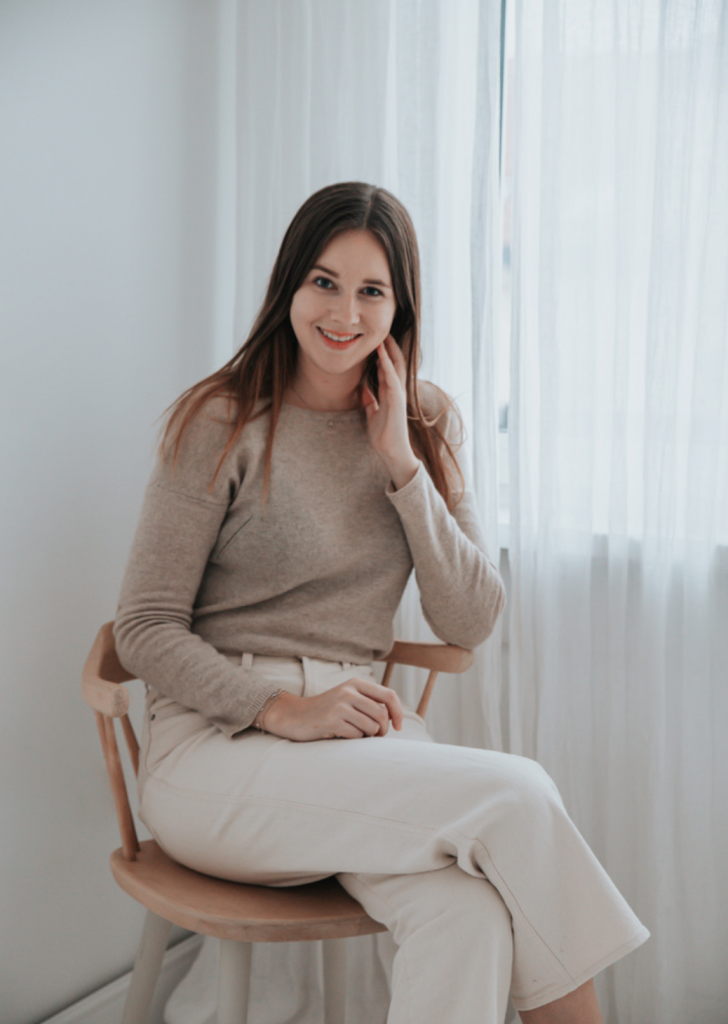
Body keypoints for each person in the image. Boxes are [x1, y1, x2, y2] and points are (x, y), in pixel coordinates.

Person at [114, 181, 649, 1024]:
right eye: (324, 282)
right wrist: (281, 709)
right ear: (289, 285)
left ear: (400, 309)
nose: (344, 313)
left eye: (372, 291)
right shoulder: (223, 419)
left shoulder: (426, 422)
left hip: (361, 732)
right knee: (517, 795)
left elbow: (470, 620)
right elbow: (143, 628)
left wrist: (402, 462)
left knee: (467, 913)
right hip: (217, 747)